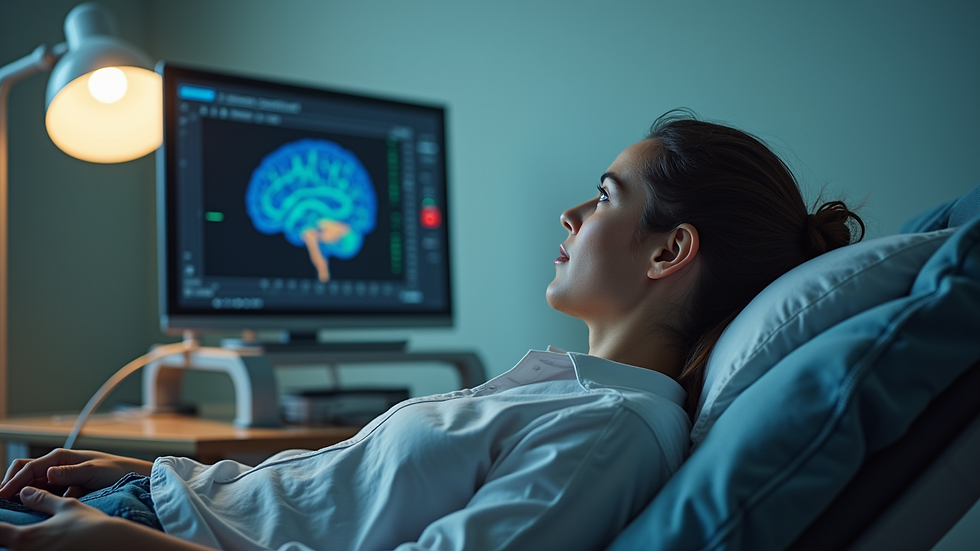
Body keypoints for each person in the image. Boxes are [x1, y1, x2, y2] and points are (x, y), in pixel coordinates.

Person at [0, 111, 864, 551]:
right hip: (154, 505)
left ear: (670, 249)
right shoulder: (575, 390)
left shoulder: (614, 432)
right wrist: (161, 474)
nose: (569, 213)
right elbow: (334, 496)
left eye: (604, 196)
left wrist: (134, 542)